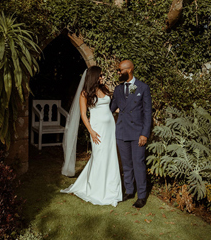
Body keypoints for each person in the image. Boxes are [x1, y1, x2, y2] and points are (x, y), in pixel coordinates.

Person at [61, 66, 122, 206]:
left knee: (110, 156)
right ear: (93, 77)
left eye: (102, 75)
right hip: (97, 130)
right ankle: (96, 189)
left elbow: (111, 107)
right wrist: (91, 131)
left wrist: (125, 111)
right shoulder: (84, 93)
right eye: (100, 75)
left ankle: (111, 189)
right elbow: (83, 115)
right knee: (99, 156)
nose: (102, 78)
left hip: (110, 128)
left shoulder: (104, 88)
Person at [110, 60, 152, 209]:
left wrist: (144, 134)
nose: (119, 73)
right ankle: (129, 191)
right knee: (126, 165)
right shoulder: (118, 89)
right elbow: (111, 107)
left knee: (138, 164)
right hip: (121, 132)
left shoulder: (142, 87)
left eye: (121, 70)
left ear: (130, 70)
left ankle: (141, 196)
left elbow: (147, 113)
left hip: (137, 134)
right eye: (119, 70)